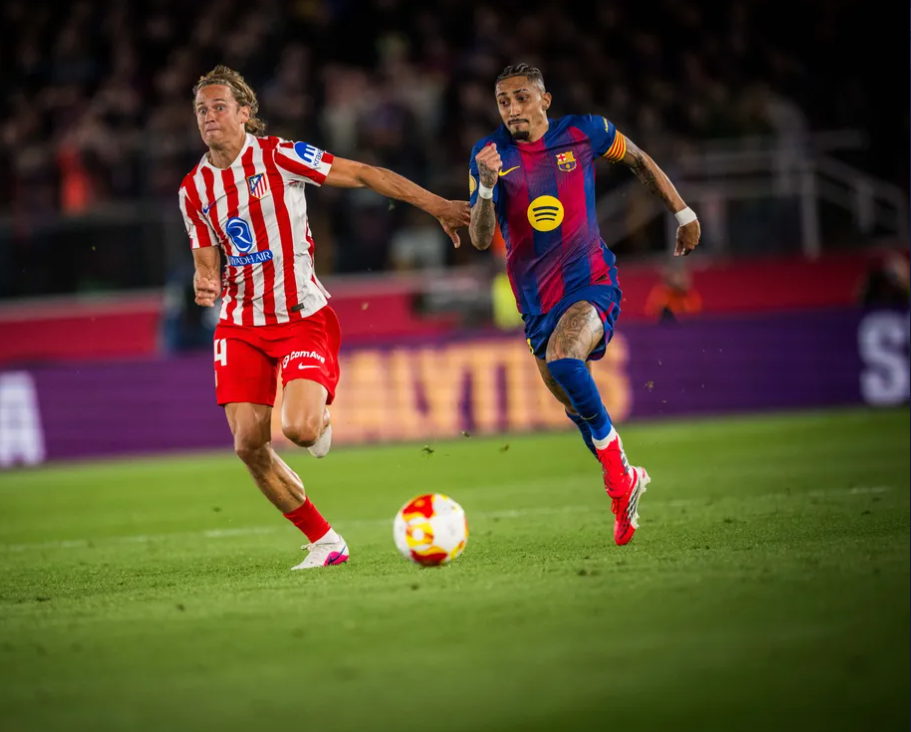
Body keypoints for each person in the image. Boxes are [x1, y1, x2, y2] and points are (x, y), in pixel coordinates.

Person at [180, 65, 469, 570]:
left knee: (302, 431)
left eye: (220, 107)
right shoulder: (194, 190)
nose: (209, 117)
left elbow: (362, 173)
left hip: (299, 316)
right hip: (240, 324)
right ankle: (326, 542)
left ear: (246, 113)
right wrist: (205, 279)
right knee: (248, 445)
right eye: (202, 109)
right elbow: (207, 259)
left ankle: (320, 415)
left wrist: (438, 204)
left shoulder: (279, 156)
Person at [467, 63, 701, 546]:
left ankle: (618, 478)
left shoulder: (584, 132)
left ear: (544, 100)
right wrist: (487, 186)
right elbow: (481, 236)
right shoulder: (488, 155)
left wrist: (682, 211)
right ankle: (626, 477)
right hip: (536, 302)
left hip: (591, 282)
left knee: (565, 358)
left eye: (521, 97)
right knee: (572, 400)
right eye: (503, 101)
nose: (512, 108)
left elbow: (637, 159)